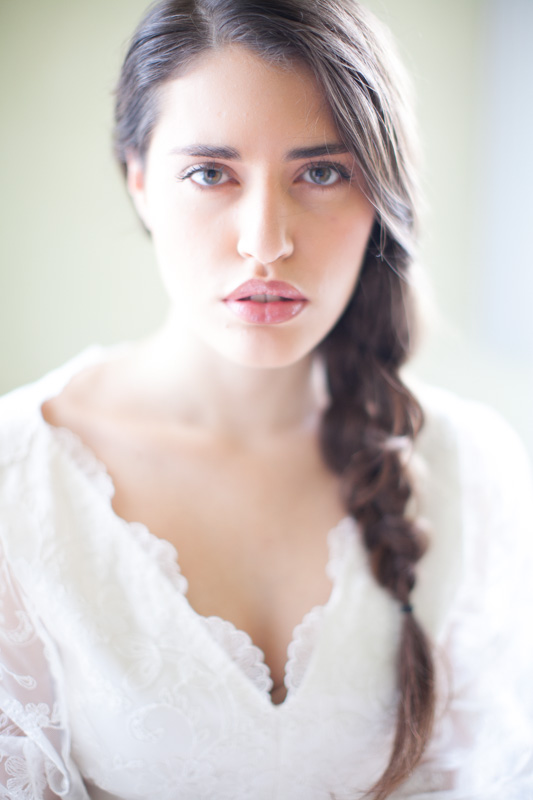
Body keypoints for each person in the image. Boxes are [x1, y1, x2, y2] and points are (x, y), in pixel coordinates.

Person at [0, 0, 532, 798]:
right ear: (139, 181)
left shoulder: (471, 468)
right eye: (210, 173)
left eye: (320, 172)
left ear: (378, 197)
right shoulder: (19, 481)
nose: (265, 240)